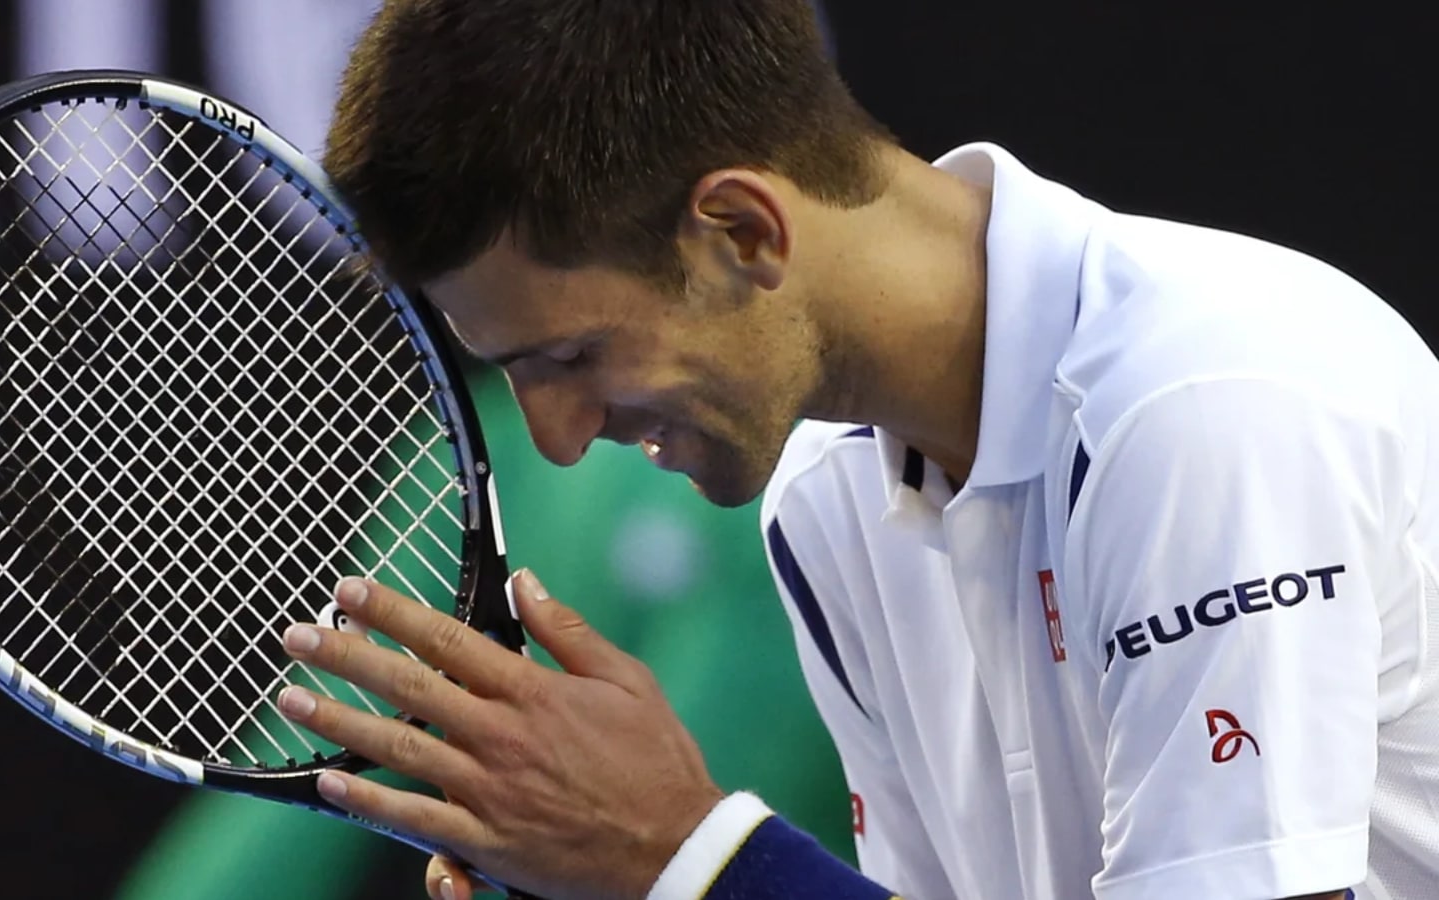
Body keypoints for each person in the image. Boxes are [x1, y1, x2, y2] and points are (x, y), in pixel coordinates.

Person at [264, 1, 1439, 898]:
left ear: (741, 229)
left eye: (567, 359)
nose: (559, 443)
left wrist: (690, 858)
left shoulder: (1202, 404)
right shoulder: (821, 497)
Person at [112, 368, 852, 900]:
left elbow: (694, 821)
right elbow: (298, 788)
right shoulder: (462, 463)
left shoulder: (786, 474)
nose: (555, 429)